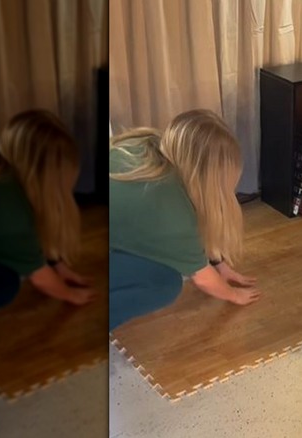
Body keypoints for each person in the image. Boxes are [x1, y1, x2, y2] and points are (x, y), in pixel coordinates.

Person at [109, 109, 260, 331]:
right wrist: (234, 295)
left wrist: (219, 264)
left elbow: (195, 227)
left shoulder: (148, 143)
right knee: (165, 284)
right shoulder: (172, 210)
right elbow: (203, 279)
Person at [0, 111, 97, 330]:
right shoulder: (10, 211)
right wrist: (72, 295)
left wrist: (58, 266)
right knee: (3, 284)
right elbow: (40, 278)